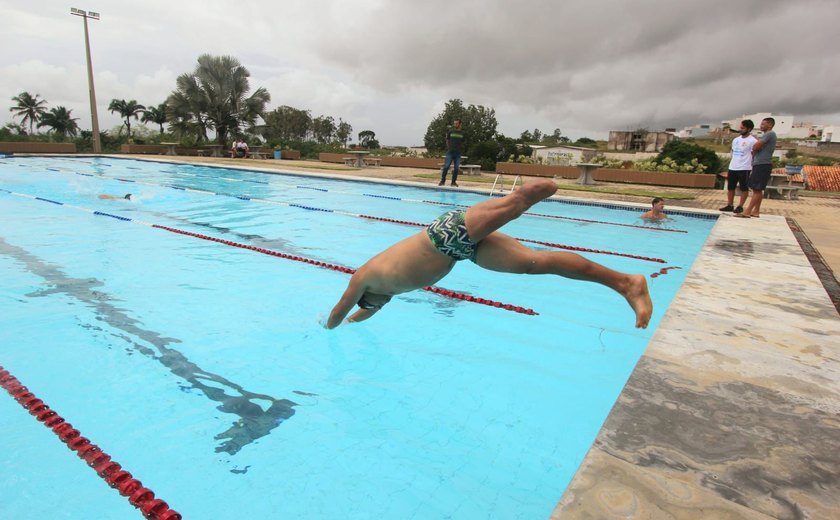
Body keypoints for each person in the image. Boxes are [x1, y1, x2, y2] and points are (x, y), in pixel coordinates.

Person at [326, 179, 652, 329]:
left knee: (513, 207)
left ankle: (523, 196)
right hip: (463, 251)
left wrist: (327, 329)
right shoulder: (387, 291)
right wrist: (358, 321)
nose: (378, 306)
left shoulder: (363, 279)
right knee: (534, 263)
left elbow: (341, 309)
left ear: (370, 297)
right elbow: (361, 314)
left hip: (445, 234)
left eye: (374, 305)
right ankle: (625, 283)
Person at [736, 117, 777, 218]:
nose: (761, 126)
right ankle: (756, 211)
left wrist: (754, 151)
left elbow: (756, 146)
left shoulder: (770, 134)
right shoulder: (767, 135)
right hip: (760, 163)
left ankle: (748, 211)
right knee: (757, 189)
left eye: (763, 124)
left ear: (770, 125)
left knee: (757, 189)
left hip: (762, 164)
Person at [719, 119, 757, 214]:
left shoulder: (753, 141)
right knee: (730, 187)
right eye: (740, 127)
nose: (741, 129)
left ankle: (740, 206)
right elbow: (733, 152)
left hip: (745, 167)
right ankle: (730, 205)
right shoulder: (736, 140)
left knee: (744, 188)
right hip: (733, 167)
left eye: (743, 128)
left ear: (749, 129)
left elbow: (754, 154)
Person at [439, 119, 465, 187]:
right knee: (446, 166)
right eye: (454, 123)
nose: (455, 125)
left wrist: (459, 148)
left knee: (456, 168)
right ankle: (442, 181)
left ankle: (453, 182)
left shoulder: (462, 133)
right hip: (450, 152)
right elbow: (447, 140)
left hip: (458, 153)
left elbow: (462, 142)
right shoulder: (450, 131)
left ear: (459, 124)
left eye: (456, 123)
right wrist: (449, 148)